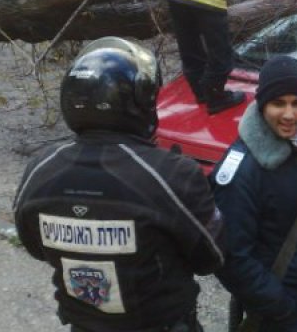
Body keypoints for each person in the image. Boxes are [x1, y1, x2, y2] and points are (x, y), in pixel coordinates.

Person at [13, 37, 224, 332]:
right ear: (138, 102)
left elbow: (35, 246)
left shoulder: (40, 169)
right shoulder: (172, 175)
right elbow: (209, 257)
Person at [211, 55, 297, 332]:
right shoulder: (241, 172)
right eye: (278, 103)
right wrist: (285, 309)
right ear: (261, 104)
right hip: (279, 313)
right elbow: (233, 259)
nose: (289, 114)